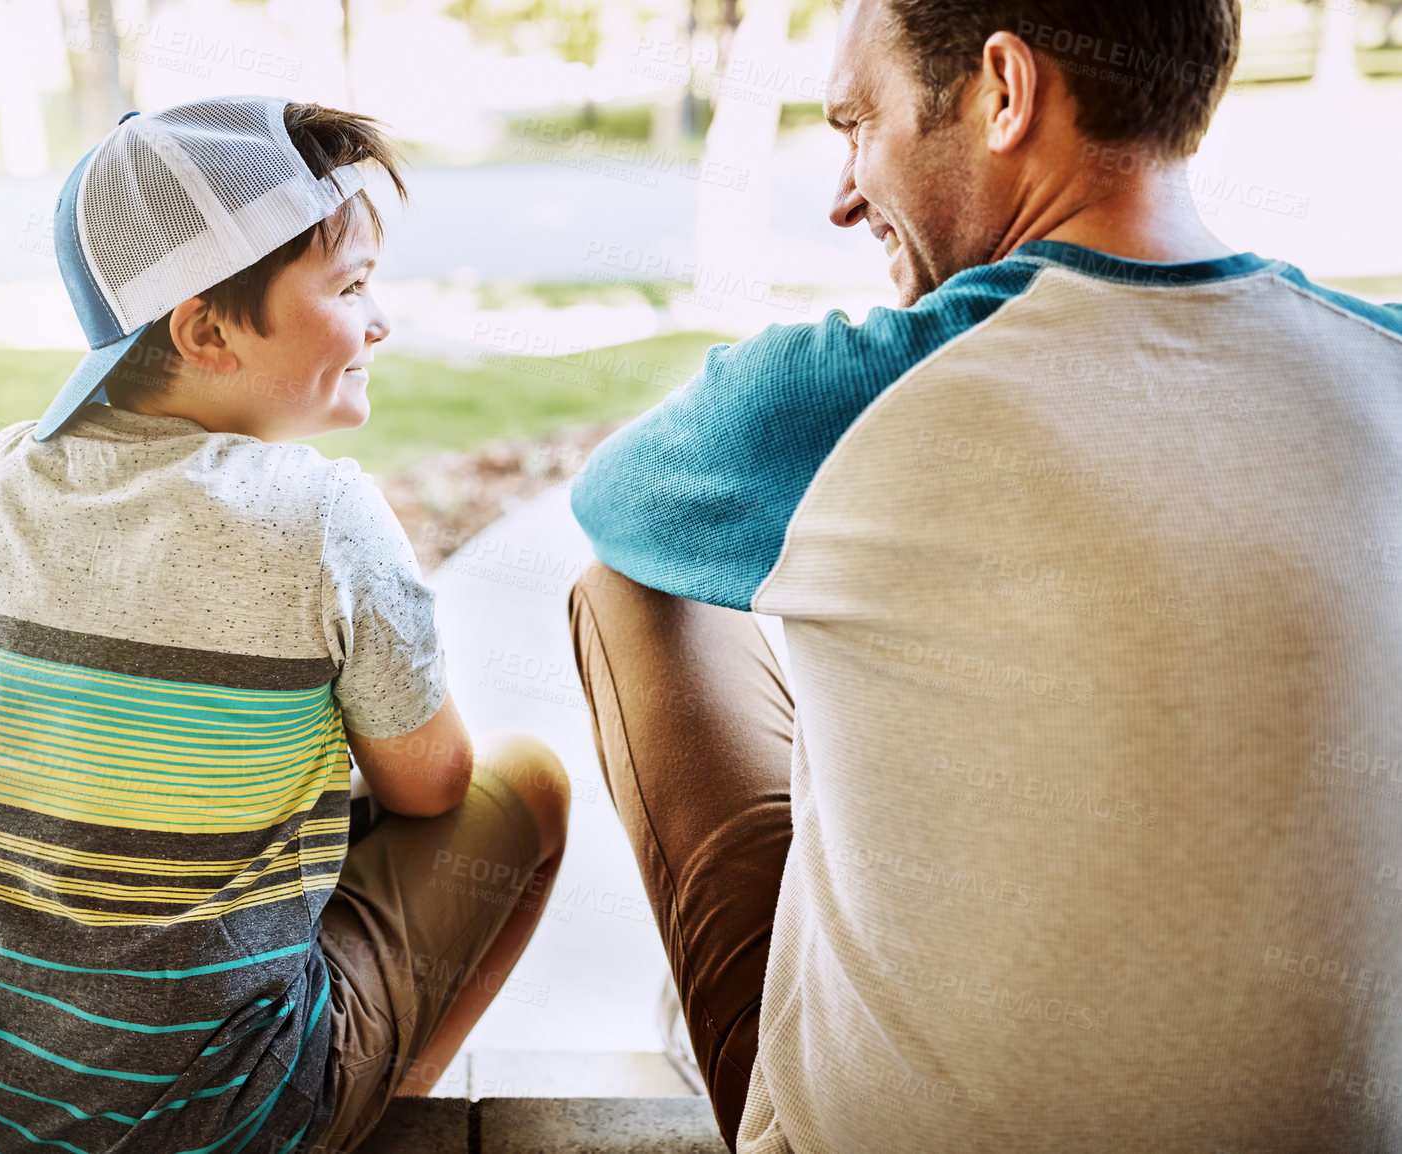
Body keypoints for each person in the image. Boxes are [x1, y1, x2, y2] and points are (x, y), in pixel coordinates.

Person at [567, 1, 1402, 1150]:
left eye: (859, 125)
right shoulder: (1383, 367)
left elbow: (619, 500)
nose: (845, 193)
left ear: (1004, 92)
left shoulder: (849, 400)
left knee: (625, 592)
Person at [0, 95, 569, 1154]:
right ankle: (361, 1106)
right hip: (217, 1117)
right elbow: (433, 785)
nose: (381, 322)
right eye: (351, 287)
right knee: (527, 784)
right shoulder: (323, 516)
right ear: (204, 326)